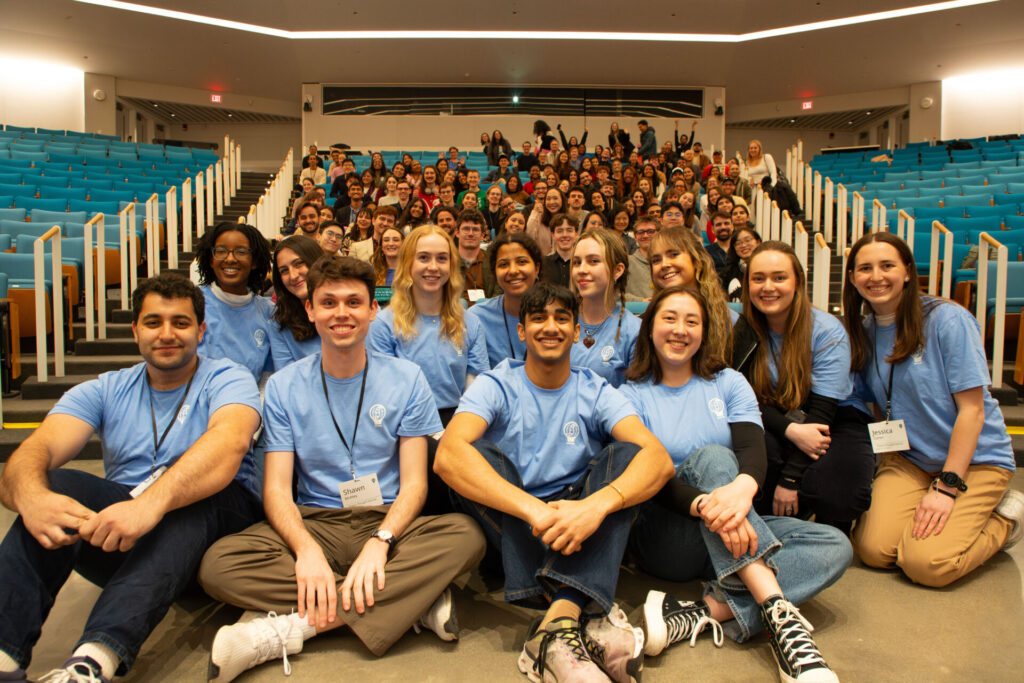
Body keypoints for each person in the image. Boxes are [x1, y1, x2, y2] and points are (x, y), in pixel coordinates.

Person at [198, 255, 486, 682]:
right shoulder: (282, 386)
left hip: (390, 521)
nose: (341, 313)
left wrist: (381, 541)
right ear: (310, 309)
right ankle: (412, 601)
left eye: (353, 302)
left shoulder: (408, 378)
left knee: (466, 535)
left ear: (373, 310)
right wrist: (305, 550)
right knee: (219, 564)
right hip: (316, 521)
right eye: (328, 303)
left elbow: (414, 484)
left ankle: (294, 628)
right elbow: (276, 489)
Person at [0, 273, 264, 682]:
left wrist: (149, 505)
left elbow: (229, 444)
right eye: (153, 322)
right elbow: (36, 450)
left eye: (180, 323)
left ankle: (92, 663)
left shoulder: (228, 378)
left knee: (192, 500)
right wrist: (33, 498)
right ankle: (4, 657)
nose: (167, 334)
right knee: (51, 484)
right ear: (135, 330)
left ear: (201, 331)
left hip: (218, 534)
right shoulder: (106, 388)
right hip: (126, 532)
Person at [435, 281, 674, 683]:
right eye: (538, 318)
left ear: (577, 331)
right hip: (514, 522)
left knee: (628, 457)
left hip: (578, 521)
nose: (550, 327)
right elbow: (447, 456)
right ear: (522, 331)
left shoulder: (594, 389)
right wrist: (535, 511)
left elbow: (658, 460)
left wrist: (593, 508)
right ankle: (587, 611)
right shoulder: (498, 383)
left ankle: (555, 629)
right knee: (476, 453)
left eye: (562, 318)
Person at [621, 285, 849, 683]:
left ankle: (706, 610)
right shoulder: (629, 396)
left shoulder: (728, 382)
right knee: (714, 457)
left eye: (692, 321)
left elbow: (752, 450)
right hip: (670, 534)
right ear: (650, 328)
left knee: (835, 545)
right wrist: (708, 505)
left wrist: (742, 490)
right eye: (669, 318)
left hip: (729, 529)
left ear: (705, 332)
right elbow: (649, 479)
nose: (680, 330)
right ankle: (780, 618)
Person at [842, 232, 1023, 587]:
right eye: (865, 268)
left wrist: (947, 487)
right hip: (911, 460)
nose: (876, 276)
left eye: (887, 266)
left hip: (975, 461)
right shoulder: (863, 331)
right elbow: (874, 402)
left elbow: (973, 411)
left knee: (927, 565)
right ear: (852, 278)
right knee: (873, 550)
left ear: (908, 272)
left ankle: (1005, 518)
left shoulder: (947, 320)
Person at [734, 242, 875, 534]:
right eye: (758, 278)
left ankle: (825, 523)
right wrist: (789, 430)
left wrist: (790, 480)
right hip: (780, 416)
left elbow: (823, 412)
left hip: (835, 418)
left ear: (798, 281)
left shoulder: (826, 330)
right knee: (758, 459)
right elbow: (746, 399)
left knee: (836, 492)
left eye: (779, 277)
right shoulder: (744, 328)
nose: (768, 287)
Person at [194, 222, 275, 382]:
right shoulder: (191, 303)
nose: (230, 259)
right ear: (211, 259)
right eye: (221, 251)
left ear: (254, 261)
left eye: (241, 252)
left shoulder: (269, 312)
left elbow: (267, 377)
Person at [649, 227, 736, 362]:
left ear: (696, 260)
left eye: (674, 254)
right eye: (656, 260)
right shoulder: (648, 320)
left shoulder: (731, 321)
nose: (664, 264)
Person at [569, 228, 641, 388]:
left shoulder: (634, 331)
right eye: (577, 262)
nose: (581, 270)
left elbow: (636, 394)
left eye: (593, 261)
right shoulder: (560, 321)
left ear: (617, 270)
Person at [465, 233, 541, 367]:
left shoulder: (557, 316)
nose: (513, 271)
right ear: (494, 272)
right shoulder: (476, 318)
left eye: (522, 262)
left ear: (537, 268)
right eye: (504, 264)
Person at [268, 235, 323, 370]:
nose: (293, 276)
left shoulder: (350, 308)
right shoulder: (279, 322)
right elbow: (286, 376)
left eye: (298, 264)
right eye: (284, 271)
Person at [455, 209, 492, 302]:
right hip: (455, 308)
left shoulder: (492, 260)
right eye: (466, 229)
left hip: (486, 308)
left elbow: (498, 293)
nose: (470, 234)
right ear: (457, 233)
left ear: (482, 235)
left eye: (475, 229)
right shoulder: (447, 261)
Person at [722, 226, 762, 302]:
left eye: (747, 240)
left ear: (758, 242)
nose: (743, 245)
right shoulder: (728, 272)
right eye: (738, 243)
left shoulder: (768, 267)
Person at [626, 215, 659, 302]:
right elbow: (615, 294)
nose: (645, 235)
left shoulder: (667, 262)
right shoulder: (626, 262)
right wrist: (641, 301)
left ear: (659, 234)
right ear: (635, 236)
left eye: (650, 231)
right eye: (641, 232)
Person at [541, 213, 577, 289]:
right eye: (559, 231)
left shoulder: (582, 264)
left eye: (569, 230)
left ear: (576, 234)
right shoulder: (543, 263)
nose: (564, 235)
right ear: (553, 235)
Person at [526, 186, 563, 255]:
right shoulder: (539, 217)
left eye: (555, 198)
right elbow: (529, 236)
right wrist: (534, 212)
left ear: (562, 200)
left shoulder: (568, 220)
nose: (551, 202)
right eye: (548, 199)